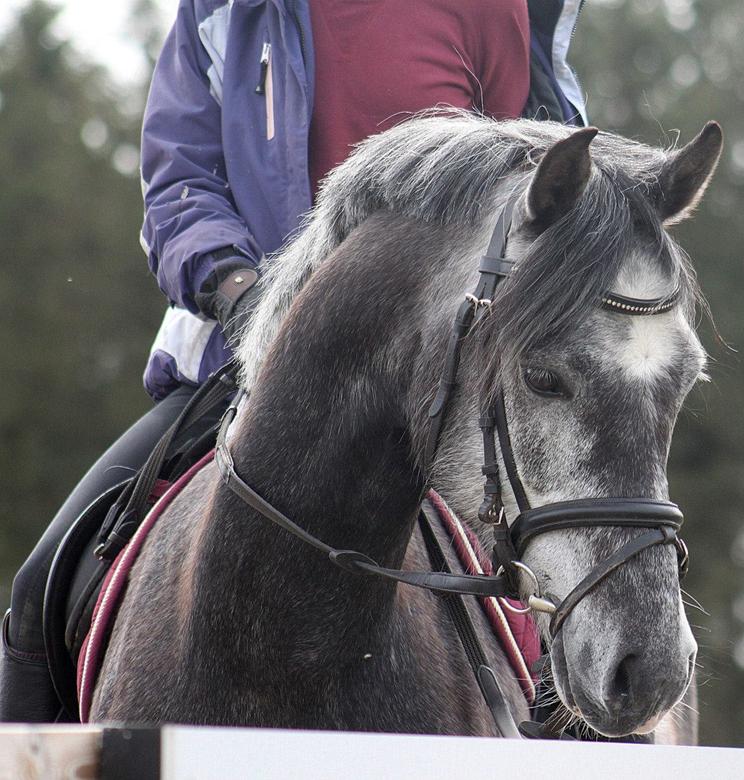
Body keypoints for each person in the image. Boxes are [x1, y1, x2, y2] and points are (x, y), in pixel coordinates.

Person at [0, 0, 587, 723]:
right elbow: (179, 179)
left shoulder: (497, 11)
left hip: (435, 393)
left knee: (584, 608)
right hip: (242, 361)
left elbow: (548, 200)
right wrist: (242, 294)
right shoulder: (225, 11)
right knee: (40, 593)